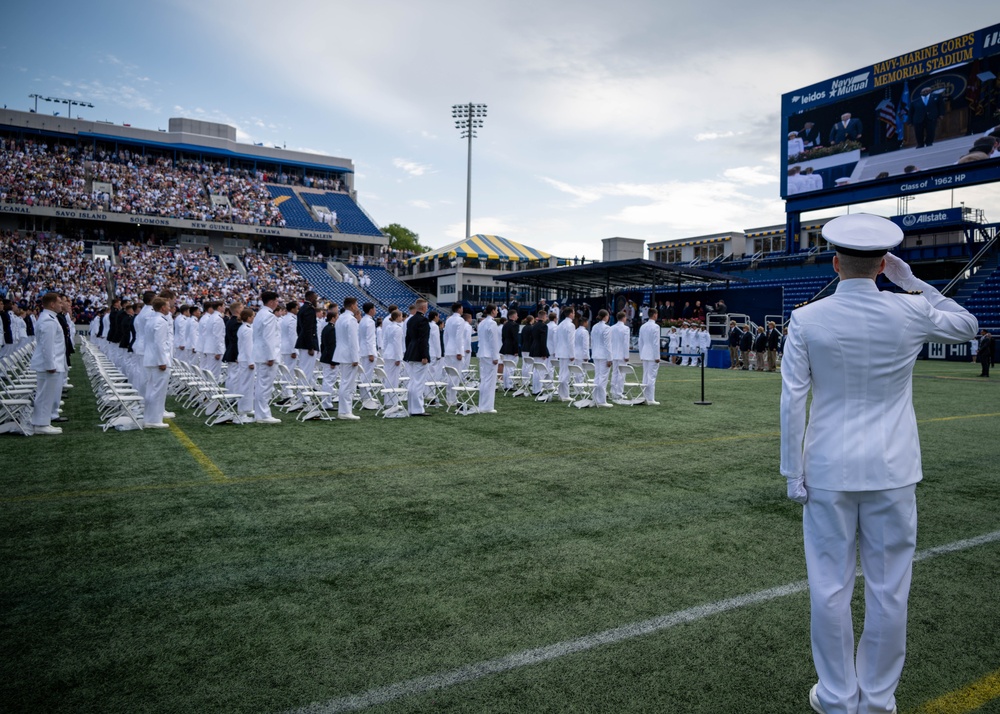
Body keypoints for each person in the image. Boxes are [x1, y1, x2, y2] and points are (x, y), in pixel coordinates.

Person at [779, 213, 977, 714]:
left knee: (829, 588)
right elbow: (968, 327)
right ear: (884, 264)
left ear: (834, 261)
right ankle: (878, 700)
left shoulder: (807, 318)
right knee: (890, 589)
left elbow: (792, 402)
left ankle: (836, 696)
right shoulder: (908, 311)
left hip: (827, 468)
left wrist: (791, 472)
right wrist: (915, 285)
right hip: (892, 468)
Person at [28, 292, 67, 435]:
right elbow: (47, 346)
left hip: (50, 363)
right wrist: (50, 365)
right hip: (48, 365)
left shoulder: (49, 318)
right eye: (59, 302)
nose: (61, 304)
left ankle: (43, 422)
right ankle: (40, 424)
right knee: (44, 395)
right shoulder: (48, 320)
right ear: (52, 304)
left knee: (46, 394)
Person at [142, 297, 174, 428]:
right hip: (158, 360)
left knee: (151, 389)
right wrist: (162, 361)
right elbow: (159, 344)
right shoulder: (161, 321)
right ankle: (155, 420)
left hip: (150, 358)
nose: (169, 308)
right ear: (162, 308)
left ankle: (150, 417)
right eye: (167, 306)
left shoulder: (151, 320)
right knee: (158, 391)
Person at [251, 291, 282, 424]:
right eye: (276, 301)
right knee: (265, 386)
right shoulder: (269, 316)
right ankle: (263, 414)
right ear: (271, 302)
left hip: (260, 354)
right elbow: (269, 338)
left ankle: (260, 413)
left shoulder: (260, 314)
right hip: (267, 356)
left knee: (261, 385)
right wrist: (271, 356)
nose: (277, 303)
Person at [333, 297, 361, 420]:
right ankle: (345, 411)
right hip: (349, 355)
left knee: (345, 382)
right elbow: (353, 341)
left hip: (342, 353)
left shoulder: (340, 319)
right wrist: (355, 358)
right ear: (353, 306)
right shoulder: (351, 320)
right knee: (348, 384)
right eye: (356, 305)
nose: (357, 307)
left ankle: (344, 410)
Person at [404, 298, 431, 416]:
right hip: (419, 353)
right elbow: (423, 340)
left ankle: (412, 407)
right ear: (423, 308)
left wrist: (409, 351)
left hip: (411, 352)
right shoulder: (423, 320)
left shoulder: (410, 320)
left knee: (413, 381)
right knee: (419, 382)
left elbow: (407, 338)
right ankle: (418, 409)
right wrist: (424, 355)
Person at [477, 303, 500, 413]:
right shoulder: (492, 323)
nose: (497, 312)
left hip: (482, 353)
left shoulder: (481, 323)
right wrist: (495, 356)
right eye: (496, 310)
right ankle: (487, 406)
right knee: (490, 381)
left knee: (484, 379)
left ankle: (482, 404)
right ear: (492, 311)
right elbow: (493, 341)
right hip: (489, 354)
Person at [382, 309, 405, 412]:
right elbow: (397, 344)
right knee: (394, 379)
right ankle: (393, 402)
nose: (402, 318)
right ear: (397, 317)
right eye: (400, 316)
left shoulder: (388, 327)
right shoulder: (398, 328)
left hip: (388, 353)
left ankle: (388, 401)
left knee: (388, 377)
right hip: (394, 355)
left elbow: (385, 341)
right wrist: (398, 357)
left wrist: (385, 352)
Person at [235, 308, 256, 421]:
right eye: (252, 316)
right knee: (246, 386)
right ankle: (243, 412)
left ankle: (246, 409)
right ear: (248, 318)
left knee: (246, 385)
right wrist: (251, 361)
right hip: (247, 360)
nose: (254, 318)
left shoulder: (243, 327)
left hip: (243, 359)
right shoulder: (247, 329)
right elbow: (248, 348)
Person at [295, 291, 319, 387]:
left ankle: (302, 395)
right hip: (308, 345)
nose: (316, 300)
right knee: (306, 371)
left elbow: (299, 328)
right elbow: (308, 329)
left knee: (303, 369)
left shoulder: (302, 309)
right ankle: (303, 396)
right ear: (311, 298)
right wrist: (310, 346)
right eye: (315, 298)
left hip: (303, 342)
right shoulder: (309, 309)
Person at [590, 309, 613, 407]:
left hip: (596, 354)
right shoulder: (607, 328)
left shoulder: (594, 327)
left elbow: (593, 341)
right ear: (605, 317)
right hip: (603, 355)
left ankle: (596, 397)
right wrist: (610, 358)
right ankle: (602, 400)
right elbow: (607, 344)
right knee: (603, 378)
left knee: (597, 377)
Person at [638, 306, 661, 405]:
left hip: (645, 353)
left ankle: (645, 397)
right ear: (655, 315)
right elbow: (656, 343)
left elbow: (640, 342)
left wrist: (641, 354)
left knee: (645, 376)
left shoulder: (643, 326)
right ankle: (650, 399)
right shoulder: (655, 327)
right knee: (651, 377)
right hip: (652, 354)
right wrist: (657, 356)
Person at [443, 304, 465, 406]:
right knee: (456, 375)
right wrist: (459, 352)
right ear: (459, 309)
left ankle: (449, 397)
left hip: (449, 349)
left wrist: (446, 348)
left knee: (450, 375)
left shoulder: (449, 320)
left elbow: (445, 336)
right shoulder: (460, 320)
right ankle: (452, 399)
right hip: (456, 350)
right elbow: (459, 337)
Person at [357, 302, 378, 410]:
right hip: (368, 352)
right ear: (370, 310)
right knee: (367, 376)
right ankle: (366, 398)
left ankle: (365, 397)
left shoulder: (363, 320)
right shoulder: (369, 322)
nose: (375, 310)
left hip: (363, 351)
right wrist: (371, 353)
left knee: (365, 375)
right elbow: (370, 339)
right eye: (374, 309)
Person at [556, 306, 576, 401]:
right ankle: (565, 395)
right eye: (574, 313)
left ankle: (561, 393)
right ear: (571, 314)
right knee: (566, 375)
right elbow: (570, 342)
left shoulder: (560, 324)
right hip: (567, 353)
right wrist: (572, 354)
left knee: (562, 373)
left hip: (561, 351)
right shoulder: (570, 325)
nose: (574, 314)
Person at [610, 310, 630, 402]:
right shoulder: (626, 329)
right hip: (622, 354)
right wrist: (626, 355)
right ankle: (619, 393)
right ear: (623, 318)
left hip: (614, 353)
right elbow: (626, 343)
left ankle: (613, 391)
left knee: (614, 373)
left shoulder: (612, 328)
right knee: (621, 374)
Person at [499, 307, 520, 390]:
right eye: (516, 315)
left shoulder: (505, 325)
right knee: (511, 367)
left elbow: (503, 337)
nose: (517, 316)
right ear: (514, 316)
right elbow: (515, 338)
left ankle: (506, 384)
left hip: (505, 346)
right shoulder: (514, 325)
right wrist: (516, 350)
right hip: (511, 347)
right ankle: (509, 385)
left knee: (506, 367)